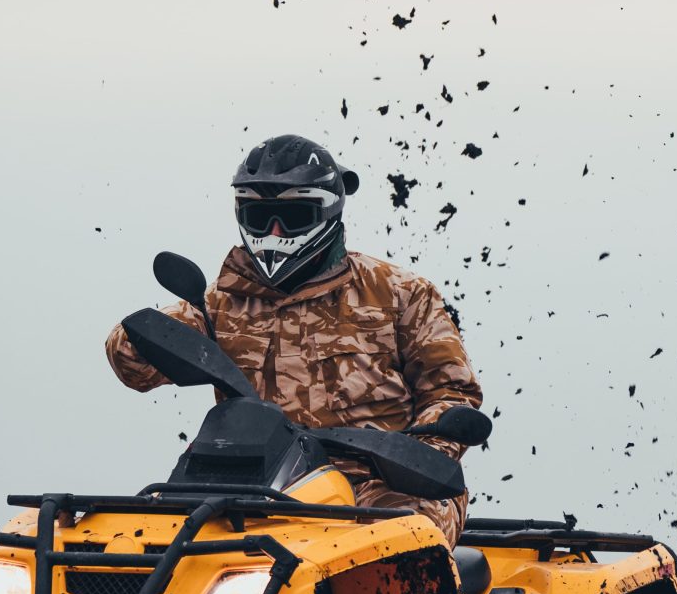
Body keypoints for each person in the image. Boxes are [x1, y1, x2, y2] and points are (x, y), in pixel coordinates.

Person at [106, 135, 485, 541]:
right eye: (260, 216)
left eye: (293, 216)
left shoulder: (400, 292)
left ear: (328, 211)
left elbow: (453, 395)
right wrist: (139, 339)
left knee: (404, 543)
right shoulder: (218, 301)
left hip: (378, 485)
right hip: (253, 482)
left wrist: (418, 458)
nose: (274, 231)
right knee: (141, 542)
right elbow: (135, 366)